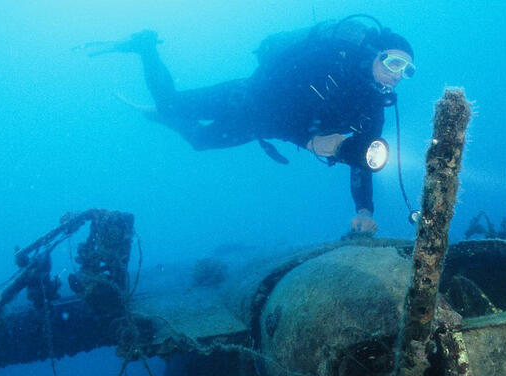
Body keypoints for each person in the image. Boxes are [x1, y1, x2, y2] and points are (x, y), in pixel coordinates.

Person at [91, 17, 415, 235]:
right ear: (373, 54)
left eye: (407, 70)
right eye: (393, 62)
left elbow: (364, 157)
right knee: (171, 103)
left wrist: (365, 210)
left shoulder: (373, 103)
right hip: (245, 99)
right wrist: (309, 141)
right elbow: (271, 98)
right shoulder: (325, 64)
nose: (398, 74)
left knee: (200, 141)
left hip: (259, 125)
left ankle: (165, 118)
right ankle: (146, 46)